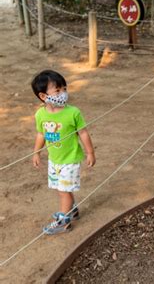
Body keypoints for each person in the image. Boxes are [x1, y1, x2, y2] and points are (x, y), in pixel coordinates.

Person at [31, 70, 96, 235]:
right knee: (61, 188)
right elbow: (41, 134)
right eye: (58, 90)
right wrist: (36, 152)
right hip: (54, 160)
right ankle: (71, 210)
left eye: (64, 89)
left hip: (70, 160)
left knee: (63, 191)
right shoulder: (40, 114)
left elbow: (83, 133)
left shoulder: (73, 112)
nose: (63, 94)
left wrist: (90, 153)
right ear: (43, 96)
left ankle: (63, 222)